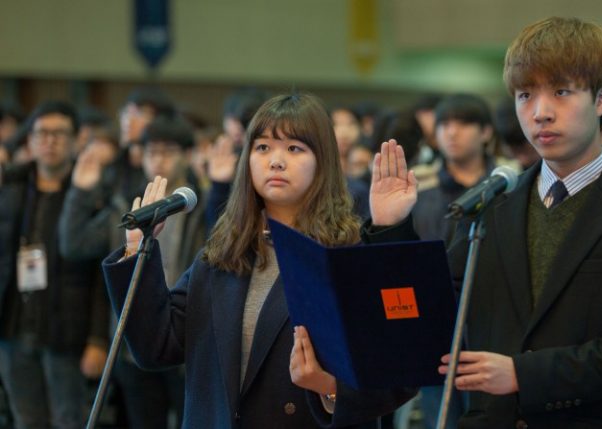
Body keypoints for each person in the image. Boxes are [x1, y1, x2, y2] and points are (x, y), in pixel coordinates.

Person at [364, 16, 602, 428]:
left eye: (561, 92)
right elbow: (433, 313)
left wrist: (522, 375)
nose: (540, 113)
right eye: (525, 95)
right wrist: (391, 229)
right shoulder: (494, 204)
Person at [101, 93, 413, 428]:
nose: (275, 161)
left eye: (294, 149)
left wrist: (329, 387)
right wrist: (137, 251)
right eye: (262, 147)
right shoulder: (224, 252)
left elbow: (400, 364)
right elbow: (157, 346)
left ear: (323, 161)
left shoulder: (347, 251)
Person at [0, 101, 109, 429]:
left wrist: (98, 338)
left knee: (68, 420)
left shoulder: (91, 194)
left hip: (67, 332)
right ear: (30, 141)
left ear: (77, 141)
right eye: (42, 133)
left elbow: (102, 275)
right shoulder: (10, 188)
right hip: (13, 326)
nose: (50, 141)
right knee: (25, 419)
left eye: (60, 134)